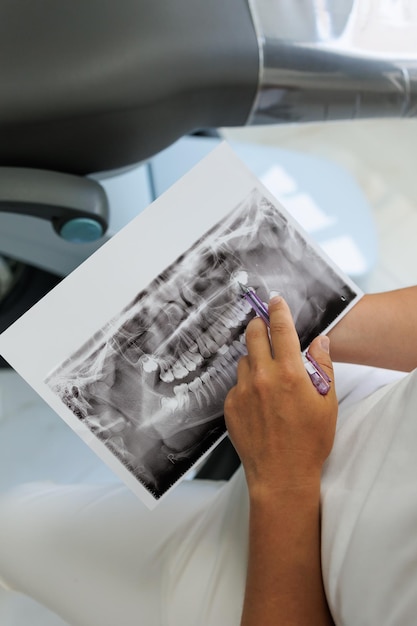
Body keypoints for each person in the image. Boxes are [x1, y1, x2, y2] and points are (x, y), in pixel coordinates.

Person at [0, 287, 416, 625]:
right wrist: (314, 325)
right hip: (355, 395)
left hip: (273, 577)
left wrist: (283, 477)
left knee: (12, 524)